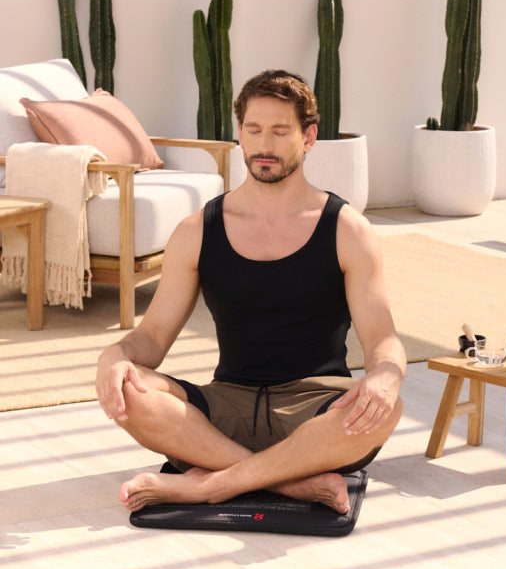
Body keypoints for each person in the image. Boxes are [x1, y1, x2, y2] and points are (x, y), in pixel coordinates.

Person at [95, 69, 406, 514]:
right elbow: (151, 339)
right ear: (239, 134)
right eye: (254, 130)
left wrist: (386, 375)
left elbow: (382, 339)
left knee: (388, 408)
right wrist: (112, 358)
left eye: (281, 131)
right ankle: (291, 484)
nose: (265, 145)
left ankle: (210, 485)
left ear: (309, 136)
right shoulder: (196, 230)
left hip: (317, 408)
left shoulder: (347, 230)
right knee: (130, 387)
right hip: (226, 406)